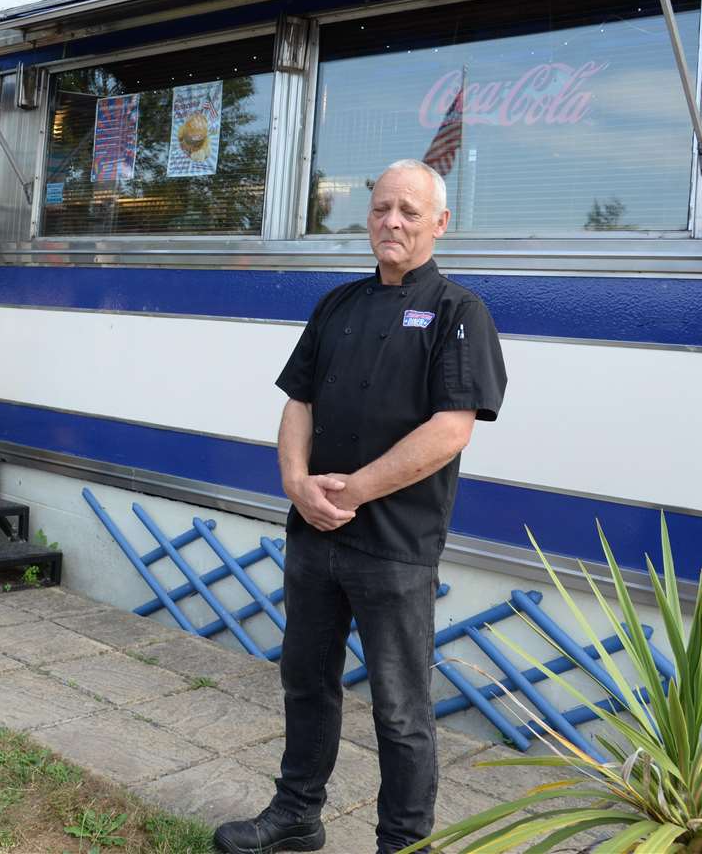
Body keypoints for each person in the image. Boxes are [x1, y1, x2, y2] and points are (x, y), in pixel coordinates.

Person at [214, 159, 508, 854]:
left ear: (439, 224)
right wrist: (296, 483)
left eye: (409, 211)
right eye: (381, 208)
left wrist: (354, 490)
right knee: (306, 683)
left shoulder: (459, 313)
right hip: (315, 534)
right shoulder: (337, 305)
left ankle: (402, 843)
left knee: (401, 712)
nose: (391, 222)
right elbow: (299, 402)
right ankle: (296, 816)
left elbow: (450, 429)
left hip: (394, 546)